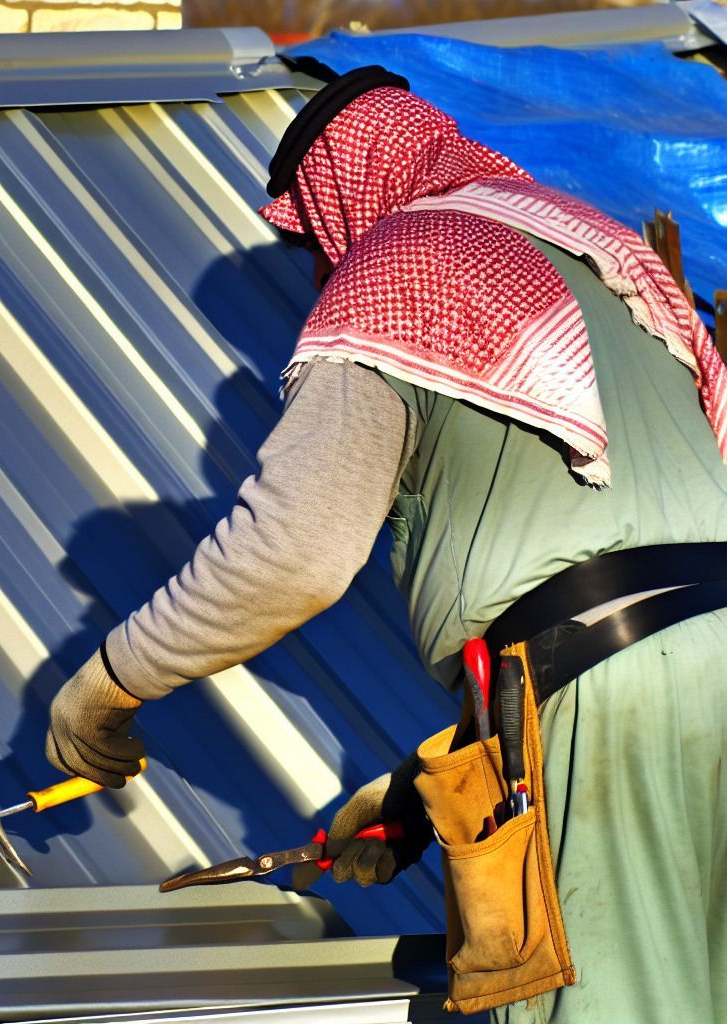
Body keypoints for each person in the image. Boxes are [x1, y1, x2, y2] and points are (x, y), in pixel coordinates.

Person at [45, 67, 727, 1023]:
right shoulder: (611, 256)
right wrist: (426, 777)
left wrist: (105, 685)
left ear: (342, 193)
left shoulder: (400, 267)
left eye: (316, 239)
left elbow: (293, 553)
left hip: (613, 698)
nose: (324, 269)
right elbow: (638, 564)